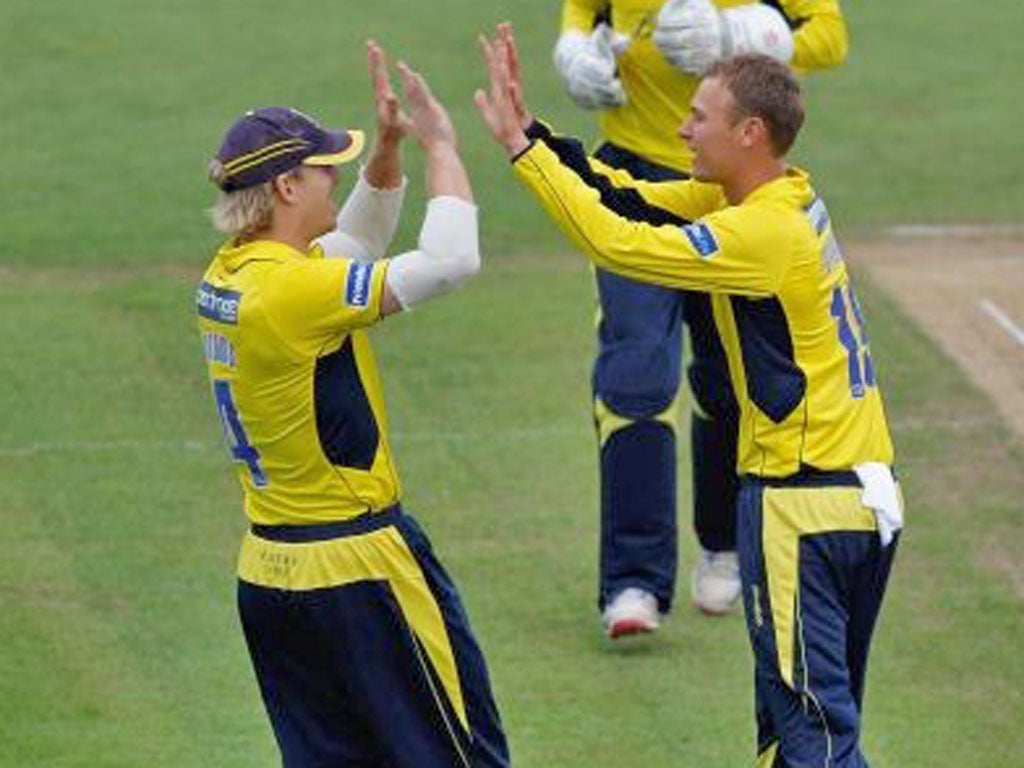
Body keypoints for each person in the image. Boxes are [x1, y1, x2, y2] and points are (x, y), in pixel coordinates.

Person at [477, 25, 903, 765]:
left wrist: (519, 156)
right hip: (861, 499)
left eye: (698, 116)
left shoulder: (761, 234)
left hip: (801, 509)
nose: (680, 126)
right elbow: (630, 195)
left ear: (750, 132)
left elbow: (620, 243)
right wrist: (535, 135)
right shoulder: (780, 194)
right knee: (796, 733)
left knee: (815, 740)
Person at [197, 41, 509, 767]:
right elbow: (452, 261)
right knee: (462, 754)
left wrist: (389, 150)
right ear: (283, 188)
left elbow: (355, 243)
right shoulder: (293, 291)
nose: (335, 175)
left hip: (271, 576)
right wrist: (442, 149)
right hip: (360, 570)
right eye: (321, 168)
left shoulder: (235, 274)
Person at [552, 0, 849, 635]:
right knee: (635, 373)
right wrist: (577, 56)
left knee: (724, 377)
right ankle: (634, 578)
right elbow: (581, 15)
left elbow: (829, 35)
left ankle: (724, 543)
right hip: (632, 165)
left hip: (732, 185)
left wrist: (745, 33)